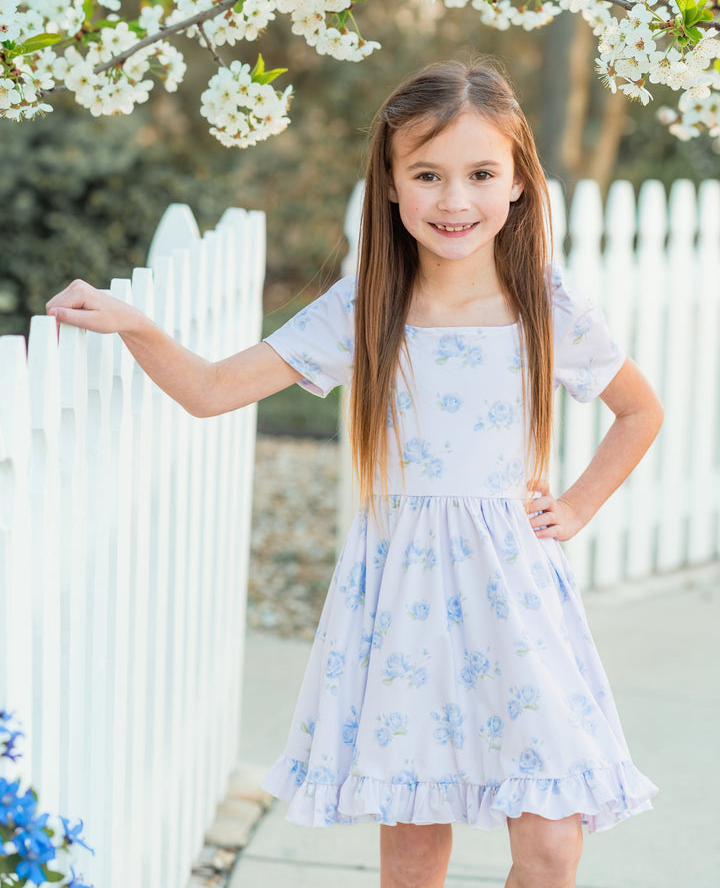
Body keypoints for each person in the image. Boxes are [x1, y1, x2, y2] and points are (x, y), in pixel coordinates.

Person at [47, 59, 663, 888]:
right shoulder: (363, 304)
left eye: (481, 174)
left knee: (551, 844)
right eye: (427, 175)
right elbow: (212, 390)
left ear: (517, 183)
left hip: (515, 594)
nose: (454, 201)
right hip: (402, 596)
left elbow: (640, 410)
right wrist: (135, 325)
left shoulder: (546, 304)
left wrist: (580, 506)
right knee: (415, 849)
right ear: (392, 184)